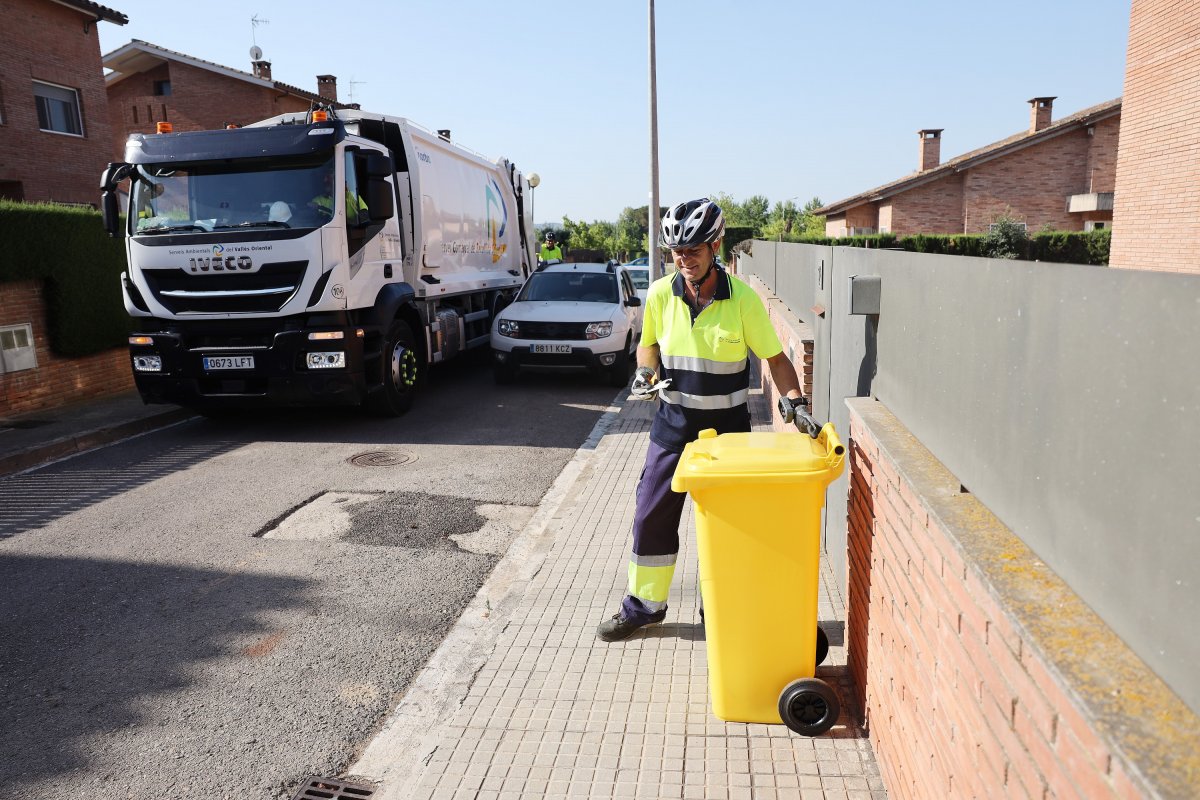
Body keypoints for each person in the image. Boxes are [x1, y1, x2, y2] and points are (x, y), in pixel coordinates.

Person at [596, 198, 808, 642]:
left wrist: (796, 400)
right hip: (672, 427)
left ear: (716, 246)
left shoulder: (743, 301)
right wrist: (644, 371)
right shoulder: (658, 293)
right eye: (675, 251)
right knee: (649, 515)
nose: (683, 259)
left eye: (692, 250)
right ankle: (644, 608)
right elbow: (648, 345)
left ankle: (720, 606)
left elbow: (775, 359)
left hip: (728, 435)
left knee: (729, 529)